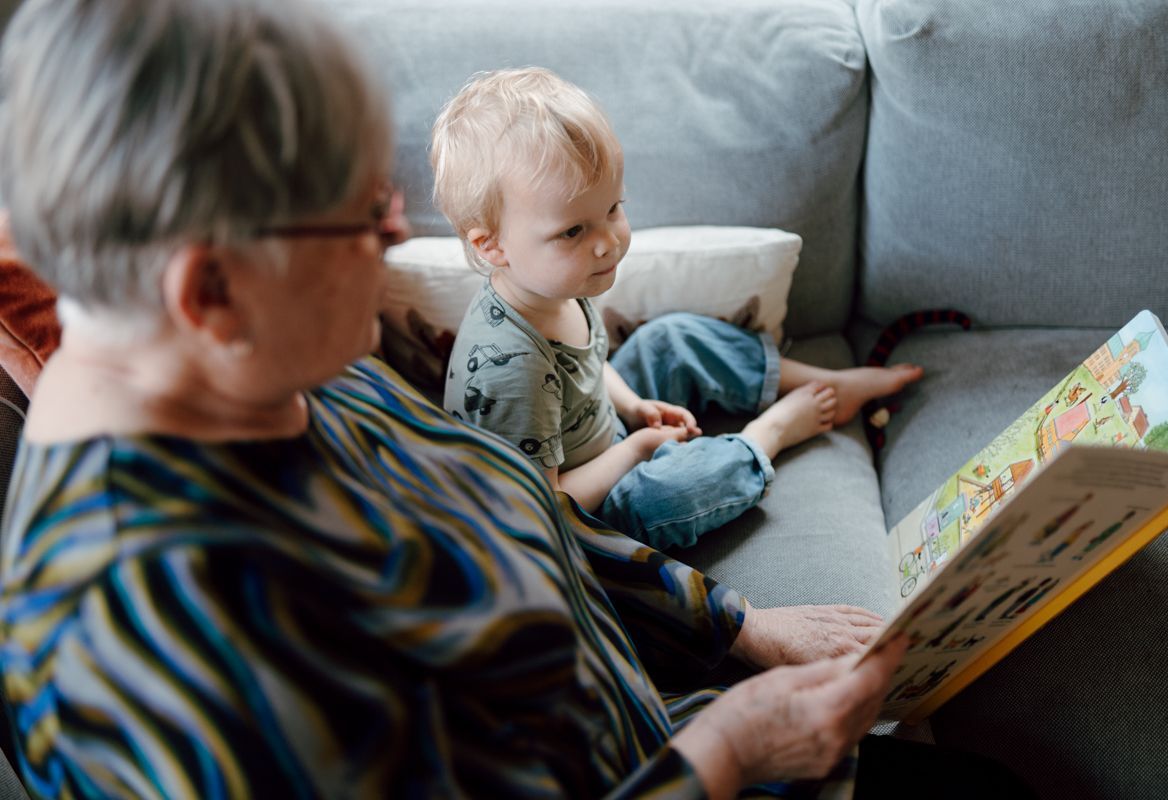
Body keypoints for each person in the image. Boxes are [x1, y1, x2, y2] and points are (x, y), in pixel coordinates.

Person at [0, 1, 1037, 798]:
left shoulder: (260, 361)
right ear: (209, 291)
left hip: (653, 720)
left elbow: (508, 505)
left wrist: (735, 626)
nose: (398, 251)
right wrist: (724, 751)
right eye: (367, 220)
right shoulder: (164, 655)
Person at [430, 68, 924, 549]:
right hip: (581, 517)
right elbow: (541, 508)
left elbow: (587, 369)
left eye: (613, 209)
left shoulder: (553, 282)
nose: (607, 243)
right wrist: (636, 448)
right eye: (573, 231)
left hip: (598, 434)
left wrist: (632, 407)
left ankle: (820, 380)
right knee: (665, 493)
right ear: (493, 246)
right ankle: (764, 437)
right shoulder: (508, 370)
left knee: (668, 340)